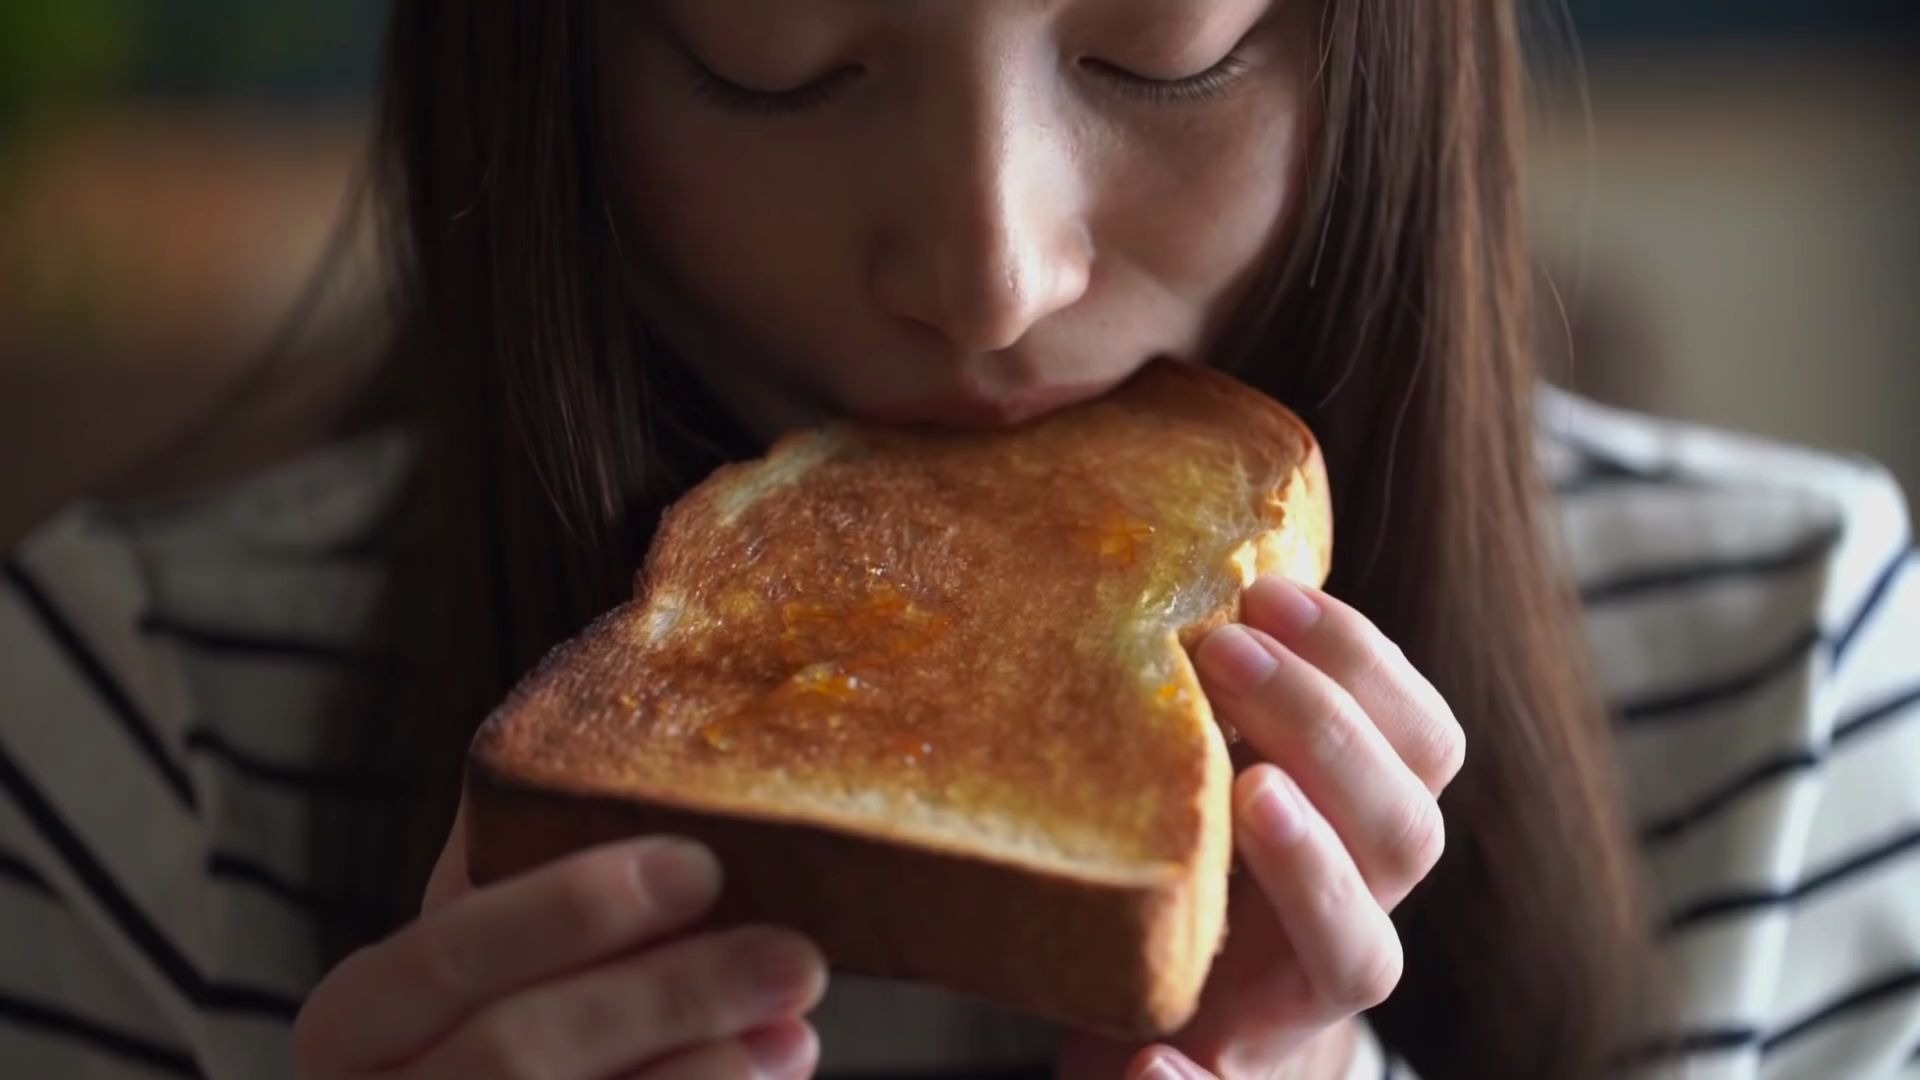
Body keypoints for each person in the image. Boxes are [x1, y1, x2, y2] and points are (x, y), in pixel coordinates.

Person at [3, 2, 1916, 1078]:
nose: (993, 273)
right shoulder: (128, 723)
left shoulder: (1808, 667)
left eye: (1168, 43)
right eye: (778, 55)